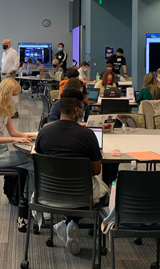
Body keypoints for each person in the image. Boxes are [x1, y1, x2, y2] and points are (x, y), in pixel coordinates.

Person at [36, 88, 108, 254]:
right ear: (76, 110)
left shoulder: (44, 132)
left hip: (48, 193)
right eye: (82, 108)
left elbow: (39, 162)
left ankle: (68, 221)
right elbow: (96, 170)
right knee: (104, 191)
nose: (84, 111)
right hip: (81, 194)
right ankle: (72, 221)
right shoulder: (88, 135)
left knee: (69, 188)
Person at [0, 78, 35, 232]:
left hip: (2, 151)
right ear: (7, 93)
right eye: (15, 94)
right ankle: (32, 203)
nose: (16, 97)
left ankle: (30, 200)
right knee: (32, 162)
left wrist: (28, 135)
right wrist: (15, 139)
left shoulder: (5, 107)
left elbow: (13, 131)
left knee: (31, 160)